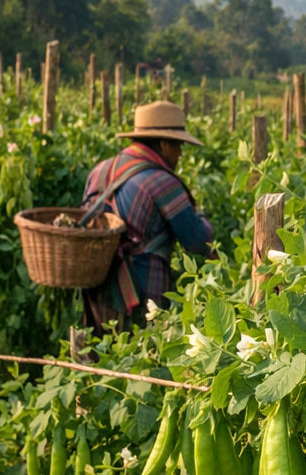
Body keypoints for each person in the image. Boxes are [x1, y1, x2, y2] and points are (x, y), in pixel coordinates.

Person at [81, 101, 214, 332]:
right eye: (178, 145)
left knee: (101, 356)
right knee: (142, 360)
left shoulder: (100, 171)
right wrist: (202, 218)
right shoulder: (162, 182)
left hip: (97, 289)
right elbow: (197, 242)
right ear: (163, 144)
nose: (181, 153)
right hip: (142, 292)